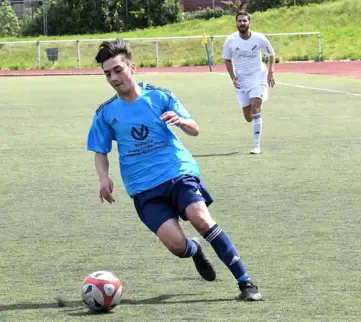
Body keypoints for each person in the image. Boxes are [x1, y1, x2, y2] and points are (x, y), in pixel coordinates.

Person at [86, 38, 262, 301]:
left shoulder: (159, 96)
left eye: (118, 70)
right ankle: (194, 250)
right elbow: (100, 151)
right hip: (143, 187)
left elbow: (195, 128)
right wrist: (103, 177)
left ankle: (245, 283)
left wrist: (181, 121)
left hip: (177, 172)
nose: (113, 77)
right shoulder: (105, 113)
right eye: (107, 73)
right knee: (177, 245)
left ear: (132, 67)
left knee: (200, 218)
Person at [222, 11, 276, 154]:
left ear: (249, 22)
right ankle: (256, 105)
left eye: (245, 21)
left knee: (255, 109)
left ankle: (256, 146)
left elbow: (271, 54)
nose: (242, 23)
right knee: (248, 117)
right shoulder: (230, 40)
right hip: (242, 80)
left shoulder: (259, 38)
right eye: (239, 21)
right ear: (236, 23)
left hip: (258, 77)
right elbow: (227, 60)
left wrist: (270, 73)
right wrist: (233, 77)